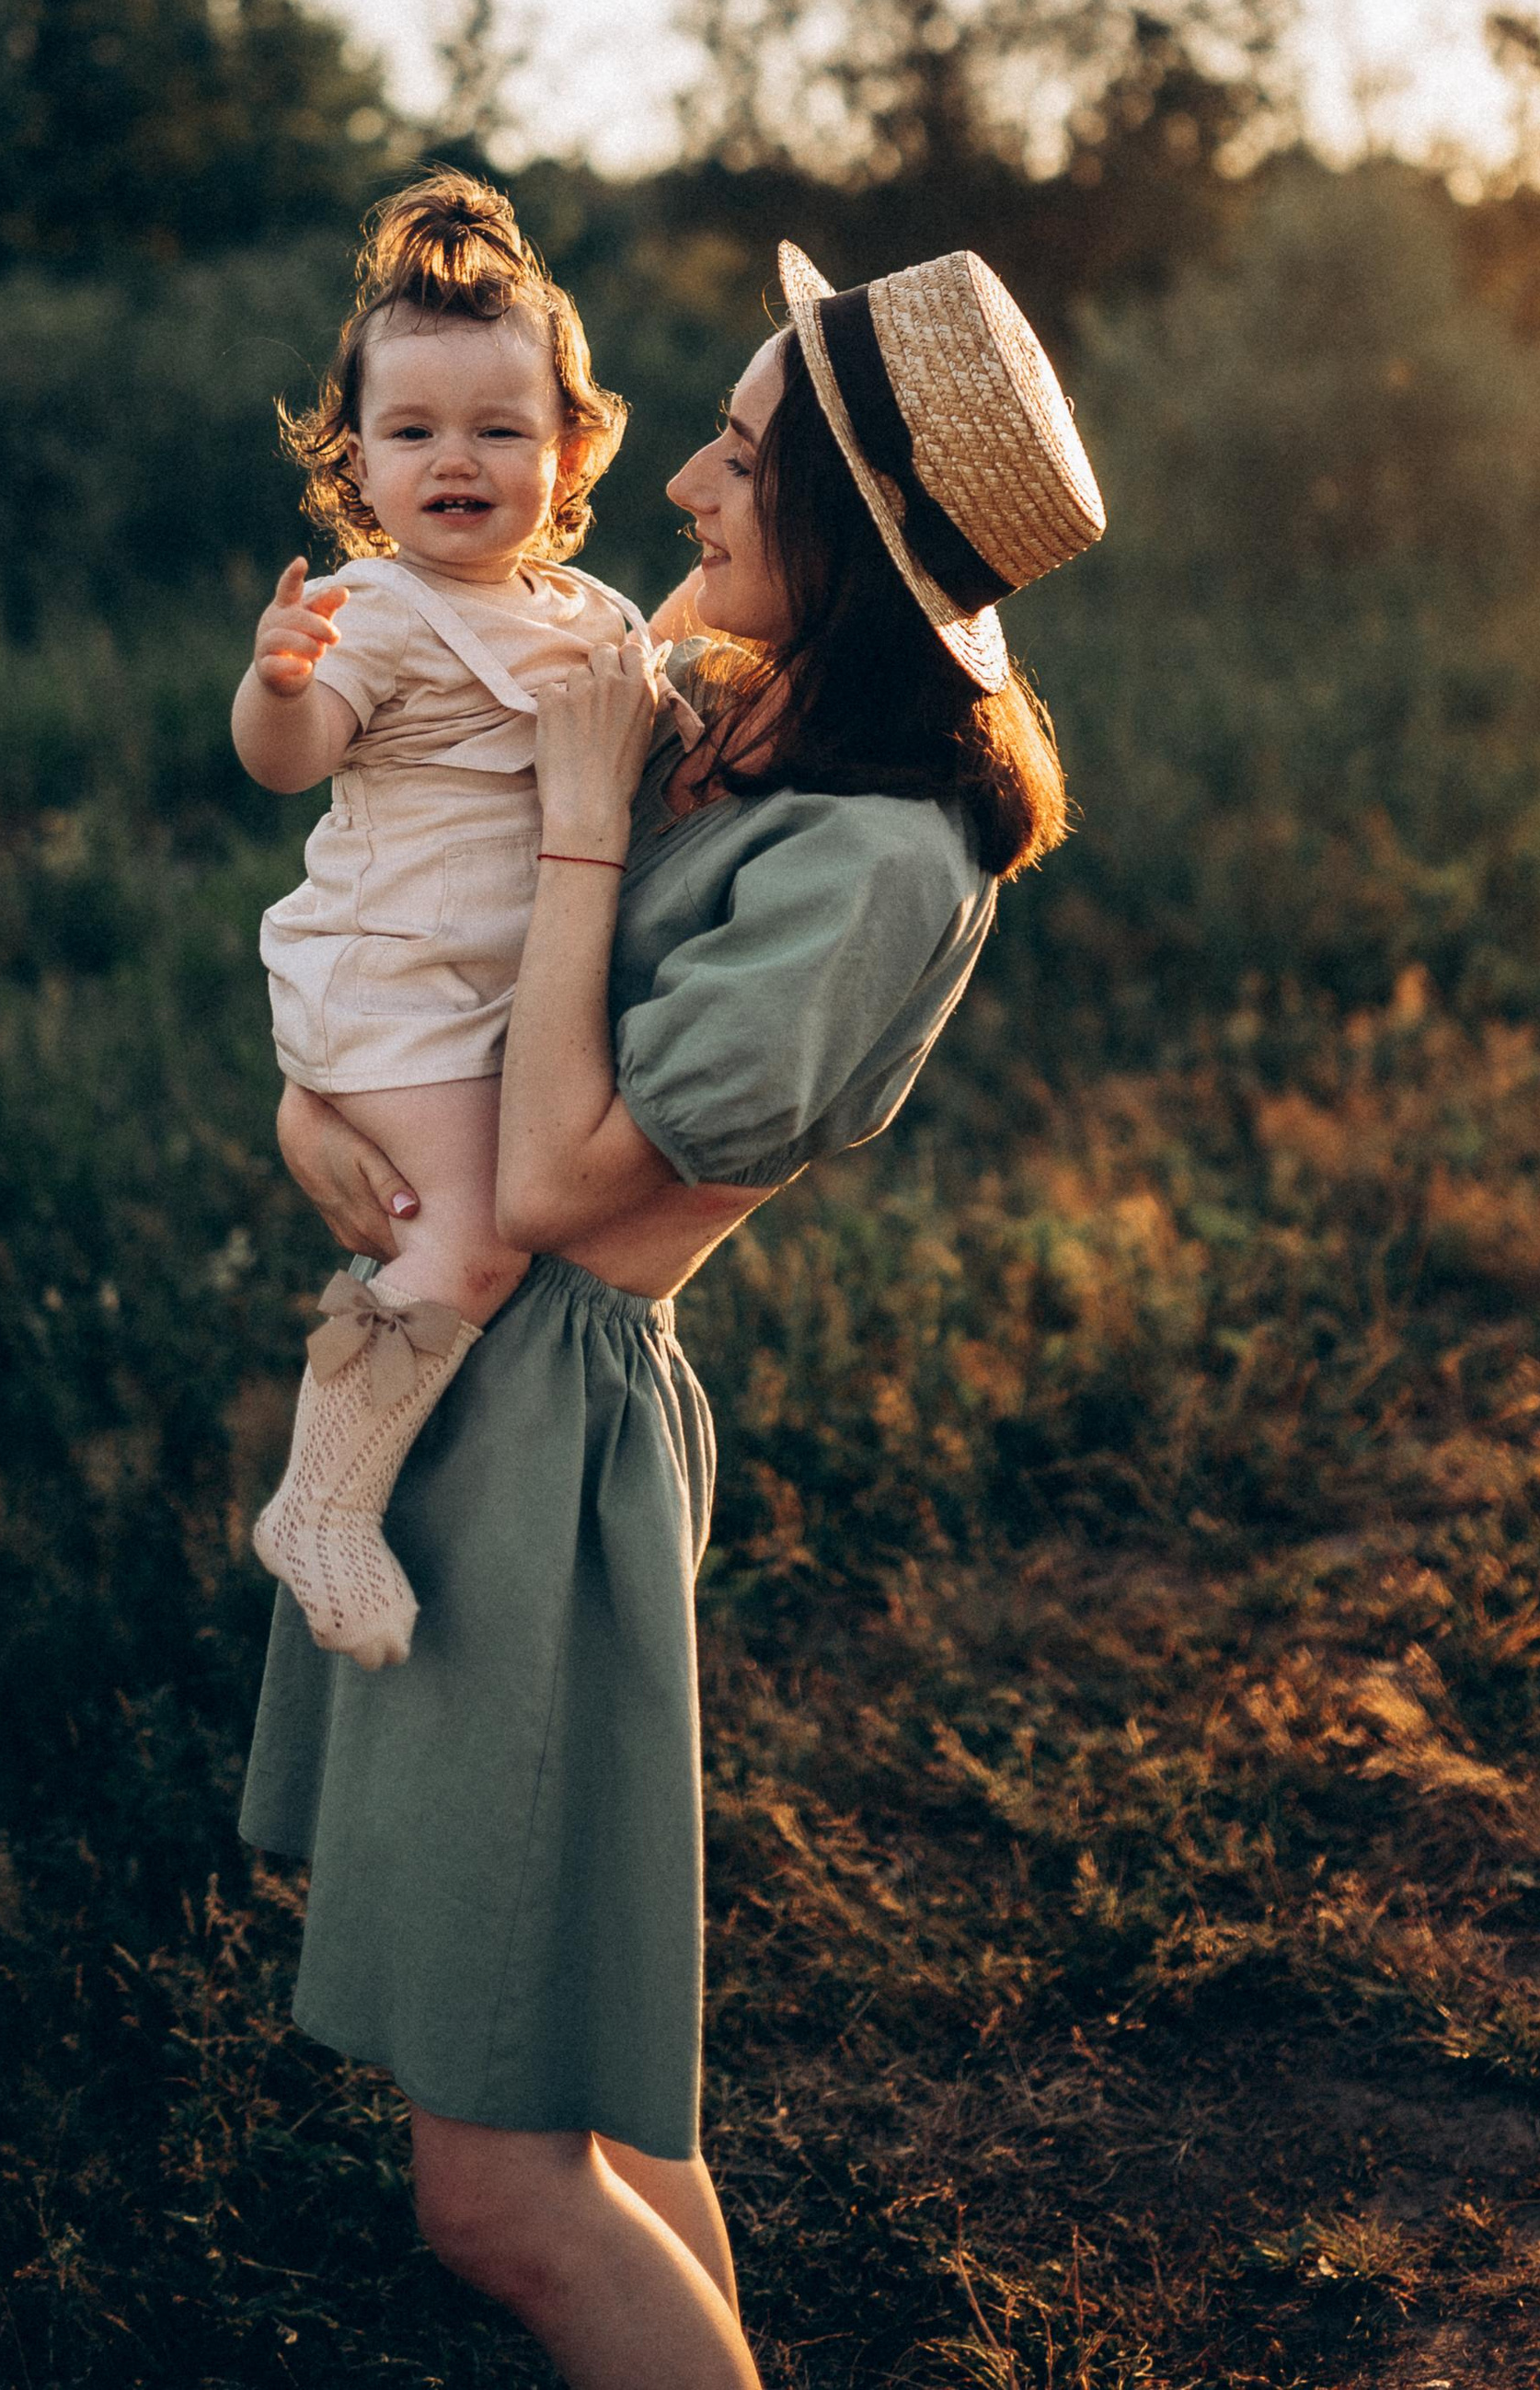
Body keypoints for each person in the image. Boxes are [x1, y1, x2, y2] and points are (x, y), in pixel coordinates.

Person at [240, 237, 1107, 2390]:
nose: (687, 487)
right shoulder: (754, 719)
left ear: (847, 525)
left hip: (537, 1430)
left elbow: (543, 1179)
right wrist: (303, 1100)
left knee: (496, 2197)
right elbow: (428, 966)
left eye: (732, 453)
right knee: (594, 2095)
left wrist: (579, 814)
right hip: (477, 1385)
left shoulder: (881, 855)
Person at [235, 168, 685, 1666]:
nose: (458, 461)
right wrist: (280, 684)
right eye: (414, 431)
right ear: (356, 456)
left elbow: (663, 726)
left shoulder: (593, 616)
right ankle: (320, 1502)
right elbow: (288, 765)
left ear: (570, 447)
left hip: (504, 999)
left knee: (499, 1233)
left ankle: (405, 1468)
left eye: (502, 429)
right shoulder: (376, 608)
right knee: (475, 1240)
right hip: (392, 985)